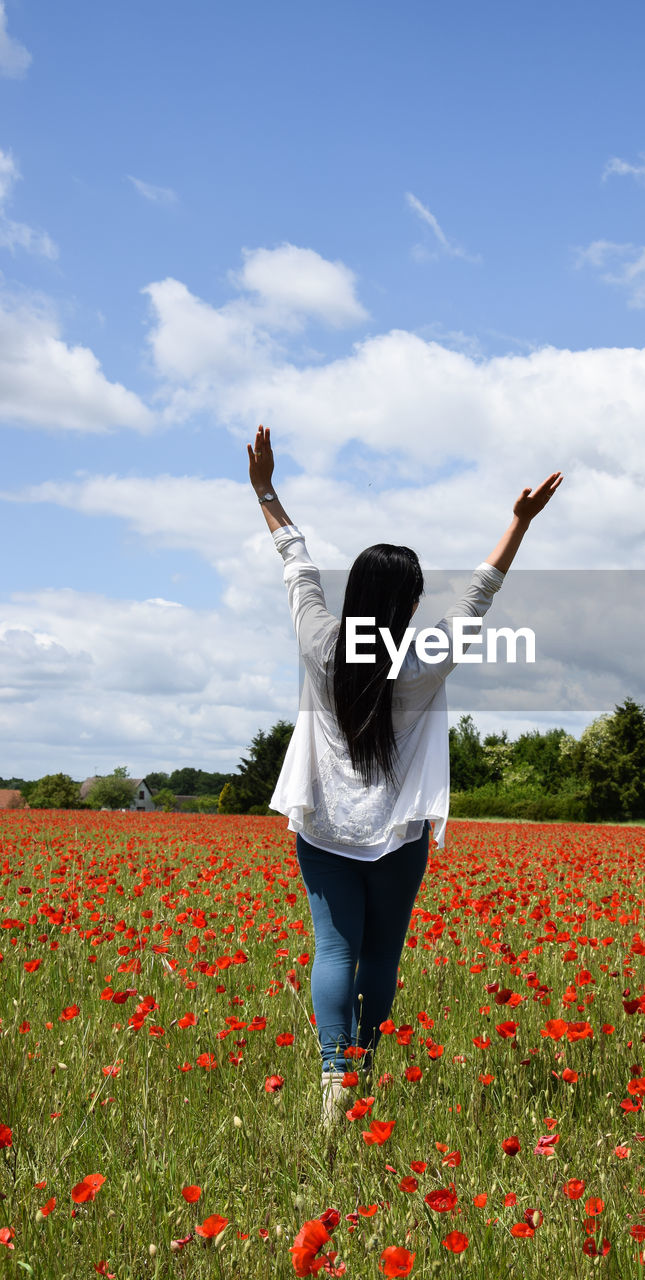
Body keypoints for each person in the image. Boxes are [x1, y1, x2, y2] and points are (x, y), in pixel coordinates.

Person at [247, 425, 562, 1123]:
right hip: (398, 832)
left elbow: (294, 560)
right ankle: (363, 1066)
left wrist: (265, 487)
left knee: (334, 947)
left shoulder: (320, 643)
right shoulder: (424, 661)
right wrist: (518, 522)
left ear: (356, 592)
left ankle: (336, 1075)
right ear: (410, 604)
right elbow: (481, 593)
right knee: (380, 955)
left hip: (323, 826)